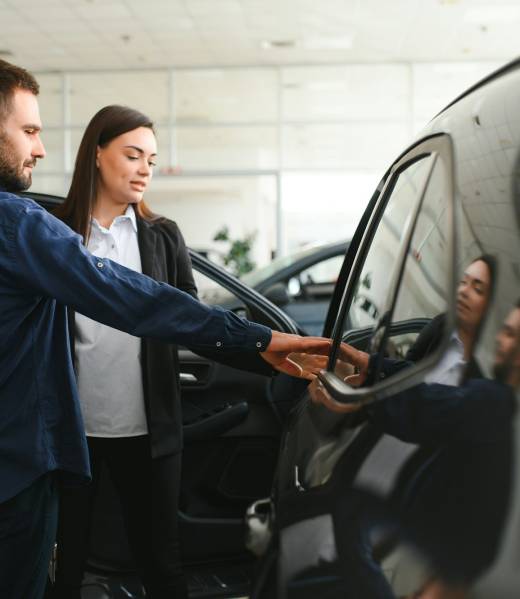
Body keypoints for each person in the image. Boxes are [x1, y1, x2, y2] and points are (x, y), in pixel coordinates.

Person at [0, 59, 331, 599]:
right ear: (99, 155)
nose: (39, 148)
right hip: (35, 455)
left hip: (136, 427)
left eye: (151, 158)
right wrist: (263, 342)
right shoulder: (28, 226)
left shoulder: (158, 235)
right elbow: (131, 299)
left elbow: (175, 310)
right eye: (30, 130)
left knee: (158, 555)